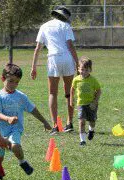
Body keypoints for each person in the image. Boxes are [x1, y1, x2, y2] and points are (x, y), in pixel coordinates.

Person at [30, 6, 79, 134]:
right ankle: (69, 123)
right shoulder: (66, 26)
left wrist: (33, 67)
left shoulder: (44, 26)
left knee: (53, 93)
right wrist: (78, 63)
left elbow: (37, 49)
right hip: (67, 58)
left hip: (53, 59)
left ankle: (55, 126)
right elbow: (70, 46)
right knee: (69, 92)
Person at [0, 64, 52, 174]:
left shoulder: (21, 96)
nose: (13, 85)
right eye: (11, 81)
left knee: (15, 146)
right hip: (0, 131)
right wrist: (7, 118)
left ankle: (22, 162)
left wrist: (44, 122)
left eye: (16, 82)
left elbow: (32, 109)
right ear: (3, 79)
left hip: (15, 129)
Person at [70, 57, 101, 146]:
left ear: (90, 70)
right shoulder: (76, 79)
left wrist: (95, 102)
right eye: (82, 69)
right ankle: (82, 140)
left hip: (91, 104)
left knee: (92, 121)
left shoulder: (93, 80)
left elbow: (99, 90)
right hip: (81, 104)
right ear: (78, 69)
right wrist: (71, 100)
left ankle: (91, 130)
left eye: (86, 70)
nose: (84, 72)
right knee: (81, 121)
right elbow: (72, 89)